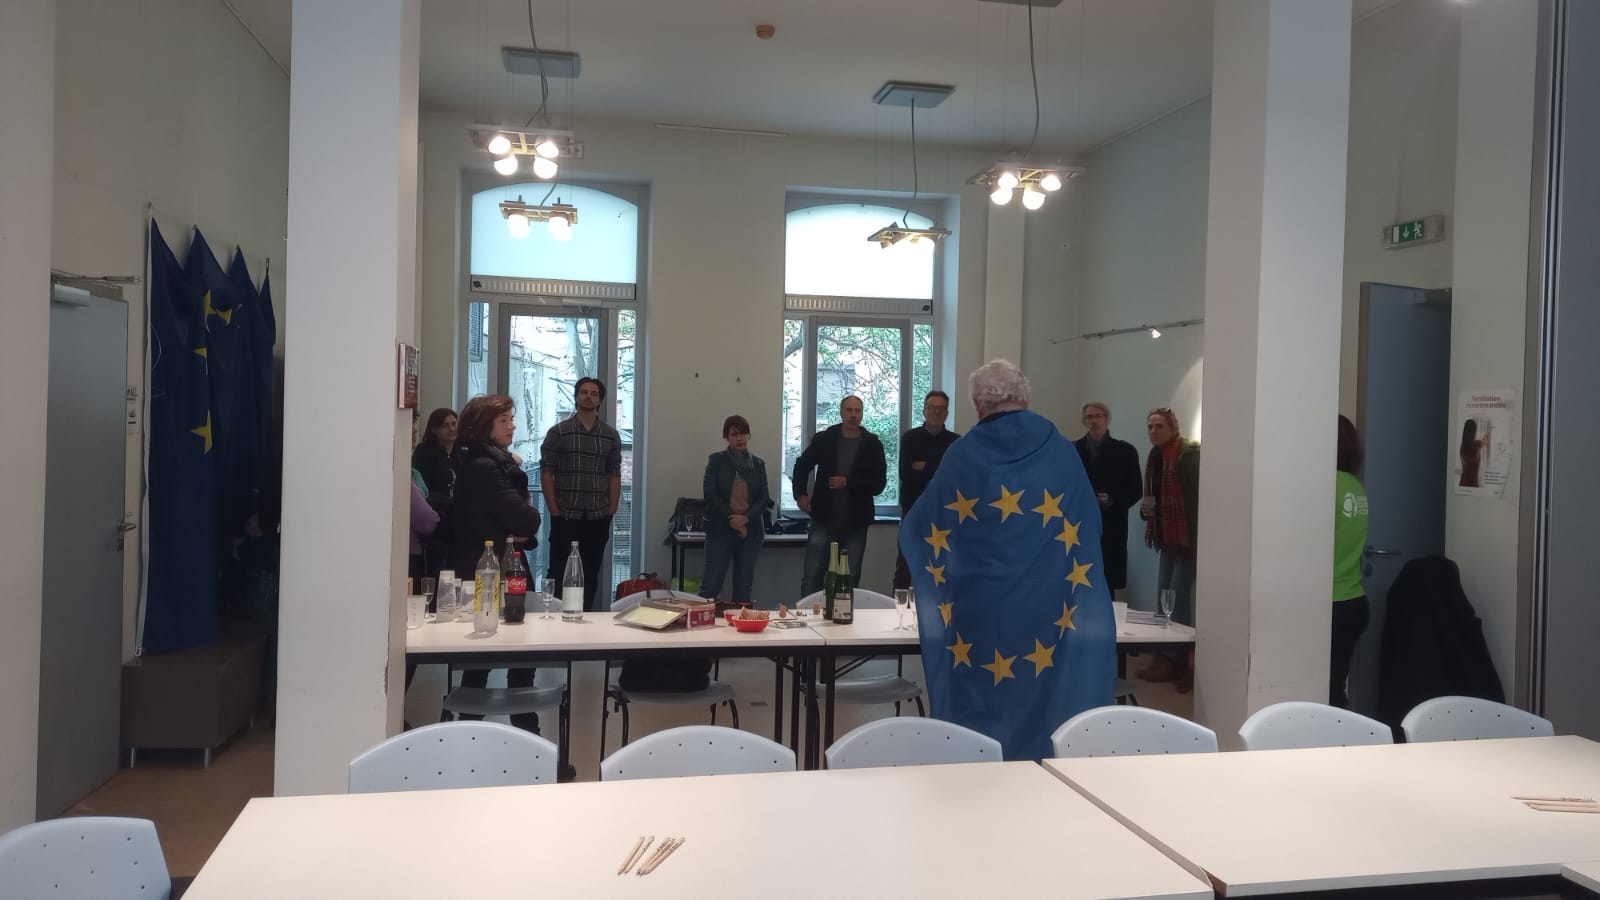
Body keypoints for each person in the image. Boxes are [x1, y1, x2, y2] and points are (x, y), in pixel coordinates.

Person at [899, 360, 1114, 760]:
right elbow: (1088, 520)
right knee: (1041, 682)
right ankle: (1042, 764)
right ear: (1025, 398)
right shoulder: (1059, 448)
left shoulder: (962, 453)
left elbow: (923, 524)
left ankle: (978, 764)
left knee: (979, 689)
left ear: (978, 405)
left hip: (977, 605)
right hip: (1047, 605)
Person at [450, 395, 546, 738]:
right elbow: (528, 520)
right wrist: (517, 526)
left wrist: (515, 530)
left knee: (489, 661)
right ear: (484, 426)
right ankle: (523, 737)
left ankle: (474, 734)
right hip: (493, 572)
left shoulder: (483, 463)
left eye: (511, 418)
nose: (513, 425)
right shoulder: (486, 468)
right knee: (503, 658)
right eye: (504, 420)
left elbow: (521, 528)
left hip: (496, 565)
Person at [792, 395, 888, 596]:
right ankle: (808, 614)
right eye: (849, 410)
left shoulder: (872, 444)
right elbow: (802, 466)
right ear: (841, 412)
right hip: (823, 519)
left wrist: (848, 483)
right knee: (812, 575)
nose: (853, 415)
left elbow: (879, 484)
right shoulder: (825, 439)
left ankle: (843, 615)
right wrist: (800, 494)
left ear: (862, 414)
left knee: (849, 577)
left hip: (856, 524)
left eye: (857, 411)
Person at [541, 377, 622, 612]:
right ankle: (555, 618)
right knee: (558, 570)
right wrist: (553, 509)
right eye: (584, 392)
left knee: (591, 572)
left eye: (594, 393)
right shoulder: (558, 432)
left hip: (598, 516)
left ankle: (584, 617)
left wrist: (612, 509)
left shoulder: (610, 435)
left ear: (600, 400)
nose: (588, 396)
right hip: (565, 514)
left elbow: (614, 473)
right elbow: (547, 472)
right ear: (576, 397)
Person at [1139, 407, 1200, 691]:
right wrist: (1147, 513)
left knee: (1177, 599)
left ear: (1173, 427)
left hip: (1188, 540)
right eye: (1150, 426)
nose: (1153, 431)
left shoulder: (1188, 455)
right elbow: (1155, 497)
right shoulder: (1155, 456)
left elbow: (1200, 498)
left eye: (1159, 426)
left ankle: (1180, 662)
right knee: (1163, 597)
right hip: (1167, 538)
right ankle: (1163, 654)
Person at [1072, 402, 1143, 597]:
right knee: (1079, 580)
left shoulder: (1125, 451)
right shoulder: (1073, 450)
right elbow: (1064, 486)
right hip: (1080, 524)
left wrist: (1112, 499)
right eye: (1089, 417)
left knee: (1107, 580)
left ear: (1107, 419)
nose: (1093, 421)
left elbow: (1136, 489)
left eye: (1098, 416)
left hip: (1112, 524)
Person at [699, 415, 772, 606]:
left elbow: (764, 498)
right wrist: (733, 519)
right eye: (734, 434)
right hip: (720, 529)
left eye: (743, 433)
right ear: (727, 437)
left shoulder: (758, 464)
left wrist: (745, 519)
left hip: (751, 531)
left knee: (743, 588)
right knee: (711, 586)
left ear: (749, 435)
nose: (740, 438)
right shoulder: (716, 461)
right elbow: (710, 495)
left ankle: (739, 623)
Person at [894, 390, 961, 589]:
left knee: (942, 568)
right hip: (913, 511)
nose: (936, 412)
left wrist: (925, 466)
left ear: (947, 412)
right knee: (905, 567)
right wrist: (939, 468)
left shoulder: (956, 442)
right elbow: (906, 474)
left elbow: (954, 477)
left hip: (945, 513)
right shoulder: (910, 438)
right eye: (932, 408)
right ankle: (898, 605)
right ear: (924, 411)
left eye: (941, 408)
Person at [1331, 415, 1371, 709]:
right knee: (1333, 688)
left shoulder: (1326, 486)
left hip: (1330, 604)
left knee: (1322, 693)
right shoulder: (1355, 486)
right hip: (1353, 601)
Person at [411, 407, 460, 499]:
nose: (452, 429)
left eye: (454, 424)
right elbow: (422, 487)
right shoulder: (424, 451)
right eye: (445, 426)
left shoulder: (463, 451)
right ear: (434, 429)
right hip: (434, 503)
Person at [1459, 418, 1491, 488]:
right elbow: (1485, 441)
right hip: (1472, 484)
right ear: (1474, 432)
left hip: (1462, 483)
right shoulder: (1476, 444)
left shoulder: (1462, 447)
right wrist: (1489, 431)